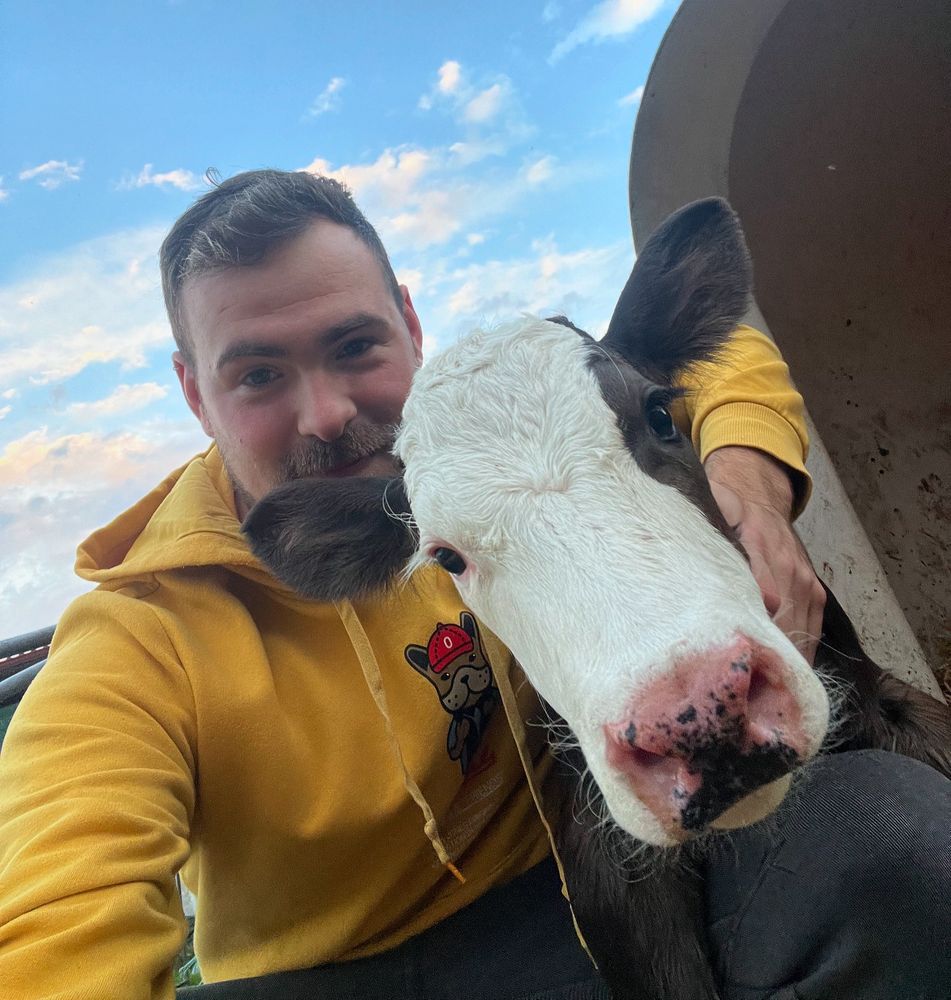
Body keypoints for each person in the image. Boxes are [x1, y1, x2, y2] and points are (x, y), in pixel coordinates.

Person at [0, 170, 946, 1000]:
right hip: (336, 978)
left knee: (884, 835)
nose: (327, 413)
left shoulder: (492, 437)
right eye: (256, 374)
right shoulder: (136, 641)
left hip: (578, 900)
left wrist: (750, 484)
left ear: (411, 327)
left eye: (355, 346)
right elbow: (51, 914)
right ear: (194, 394)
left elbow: (693, 354)